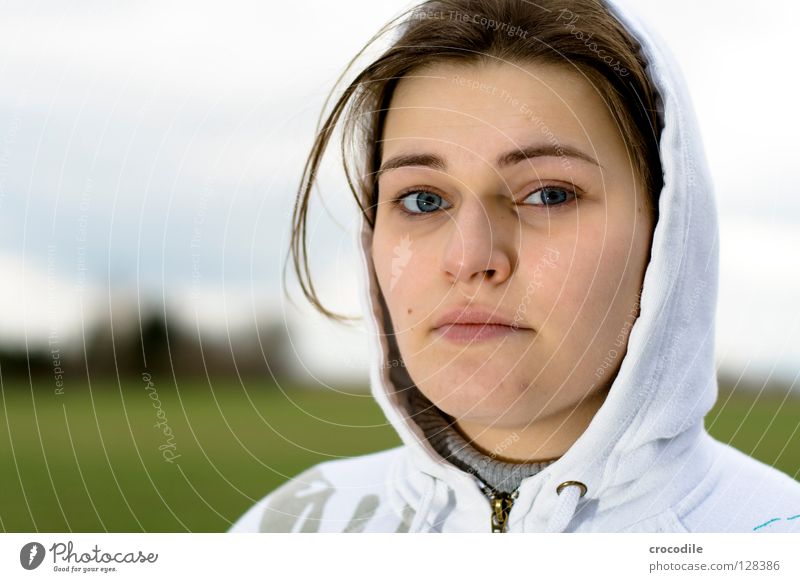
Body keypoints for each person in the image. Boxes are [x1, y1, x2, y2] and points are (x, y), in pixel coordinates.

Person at [229, 0, 800, 533]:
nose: (471, 258)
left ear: (671, 228)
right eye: (423, 199)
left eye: (548, 194)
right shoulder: (283, 532)